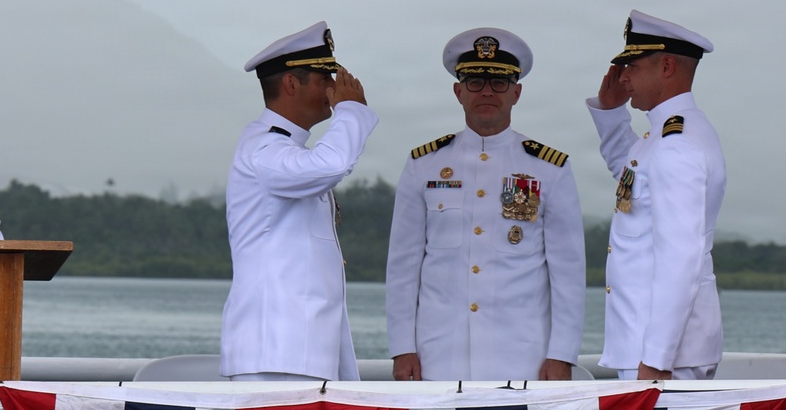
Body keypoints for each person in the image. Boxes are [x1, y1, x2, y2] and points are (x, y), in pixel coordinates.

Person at [386, 27, 586, 381]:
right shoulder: (424, 165)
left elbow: (567, 273)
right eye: (475, 82)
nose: (487, 92)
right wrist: (403, 348)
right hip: (438, 354)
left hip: (523, 354)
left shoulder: (549, 168)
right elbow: (403, 267)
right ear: (458, 91)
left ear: (517, 92)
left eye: (499, 83)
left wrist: (562, 354)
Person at [221, 21, 377, 382]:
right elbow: (332, 164)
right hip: (275, 352)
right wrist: (351, 111)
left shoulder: (286, 148)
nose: (334, 89)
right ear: (291, 83)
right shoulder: (264, 146)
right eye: (325, 78)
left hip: (297, 352)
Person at [587, 10, 727, 381]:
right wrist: (610, 112)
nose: (624, 77)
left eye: (631, 66)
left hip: (662, 357)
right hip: (651, 347)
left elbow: (681, 258)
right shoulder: (664, 137)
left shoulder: (676, 145)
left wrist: (657, 359)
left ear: (666, 66)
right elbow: (630, 176)